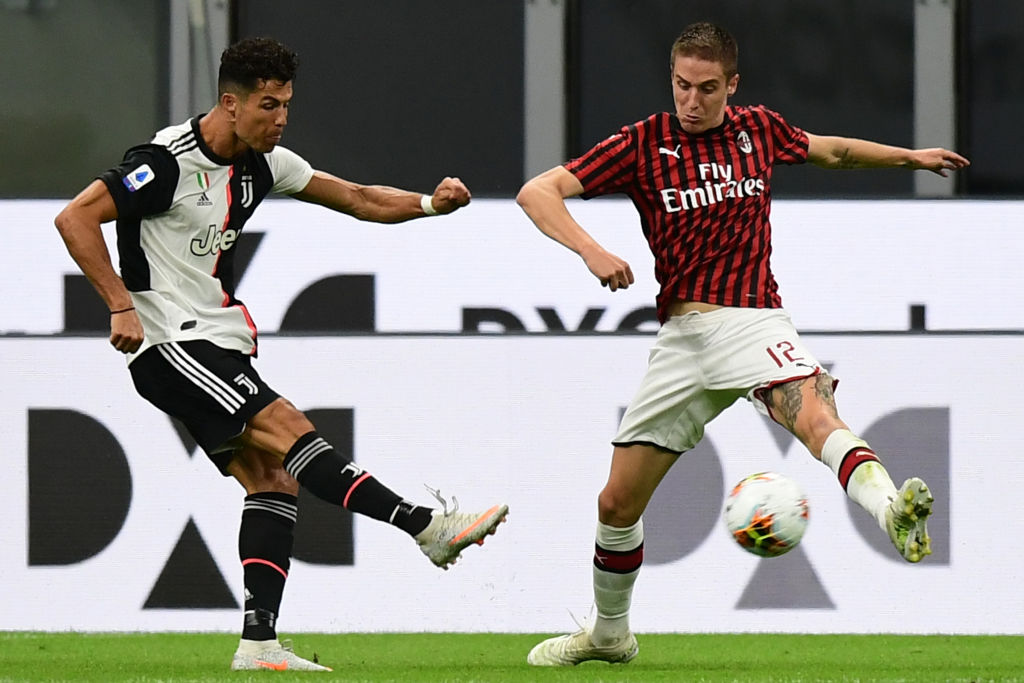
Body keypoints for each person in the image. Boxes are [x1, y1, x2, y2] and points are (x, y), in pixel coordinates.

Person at [516, 22, 967, 667]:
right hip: (683, 338)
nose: (691, 101)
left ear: (732, 85)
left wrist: (910, 157)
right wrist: (592, 250)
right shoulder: (643, 142)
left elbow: (831, 151)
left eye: (706, 89)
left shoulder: (758, 129)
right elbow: (539, 192)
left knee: (814, 414)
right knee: (617, 502)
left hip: (752, 318)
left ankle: (890, 506)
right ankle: (609, 634)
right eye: (681, 86)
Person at [54, 36, 508, 673]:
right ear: (230, 103)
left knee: (273, 480)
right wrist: (119, 304)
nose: (281, 118)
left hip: (214, 339)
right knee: (290, 428)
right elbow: (75, 218)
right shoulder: (162, 164)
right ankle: (424, 527)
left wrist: (431, 204)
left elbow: (357, 197)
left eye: (287, 104)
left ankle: (259, 645)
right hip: (169, 343)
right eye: (269, 105)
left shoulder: (263, 164)